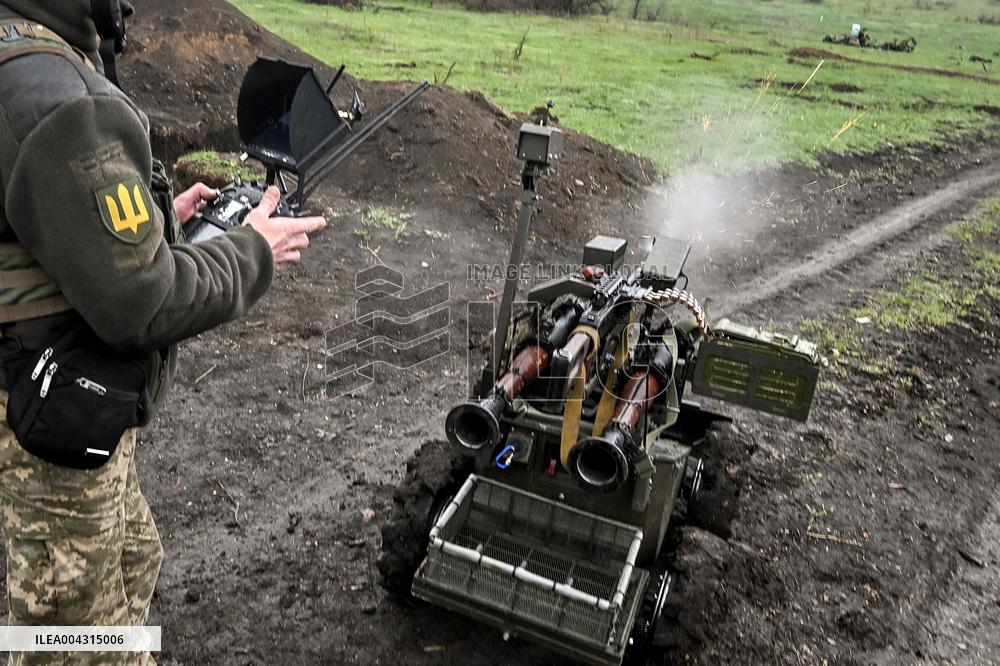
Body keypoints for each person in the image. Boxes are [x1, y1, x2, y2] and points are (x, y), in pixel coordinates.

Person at [0, 1, 326, 663]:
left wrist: (153, 226)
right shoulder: (58, 95)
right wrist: (252, 249)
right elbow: (140, 306)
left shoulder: (16, 52)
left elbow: (36, 224)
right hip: (52, 442)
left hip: (34, 402)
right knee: (74, 642)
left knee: (136, 559)